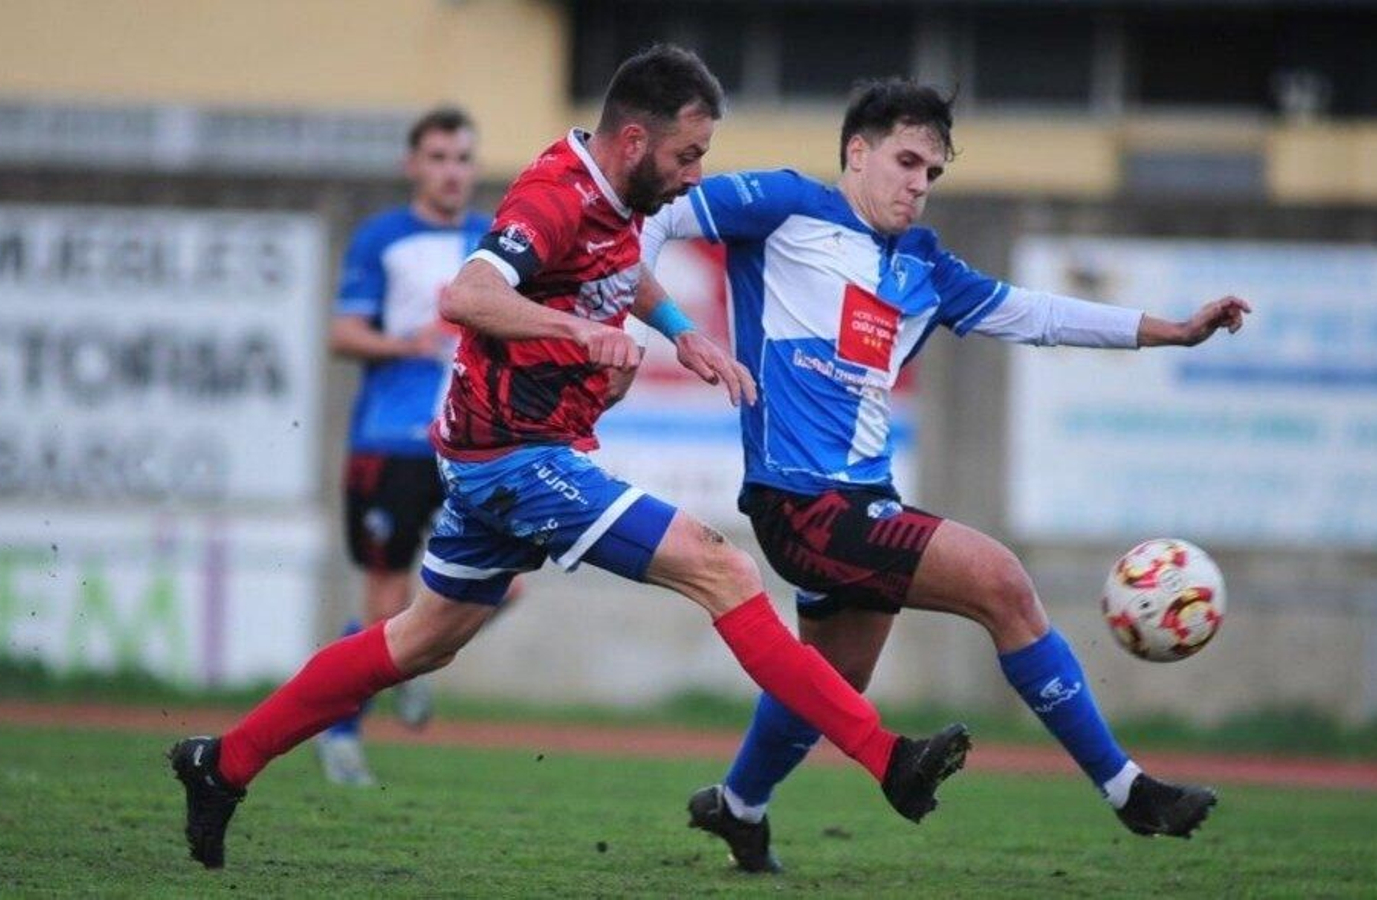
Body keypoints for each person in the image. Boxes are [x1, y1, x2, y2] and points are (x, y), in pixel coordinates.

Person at [168, 46, 971, 871]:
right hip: (516, 459)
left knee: (418, 642)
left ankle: (220, 764)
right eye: (687, 155)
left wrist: (683, 333)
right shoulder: (554, 196)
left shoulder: (620, 195)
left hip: (497, 453)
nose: (697, 175)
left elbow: (625, 269)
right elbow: (467, 295)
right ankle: (887, 759)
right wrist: (578, 331)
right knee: (720, 568)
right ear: (632, 141)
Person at [642, 78, 1251, 873]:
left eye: (932, 172)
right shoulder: (787, 206)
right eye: (905, 161)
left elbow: (1035, 313)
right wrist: (664, 320)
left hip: (862, 500)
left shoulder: (924, 268)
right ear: (856, 154)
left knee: (830, 680)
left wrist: (1169, 330)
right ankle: (1128, 790)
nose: (918, 184)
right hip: (799, 503)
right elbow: (656, 214)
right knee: (1001, 581)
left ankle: (740, 806)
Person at [319, 105, 498, 786]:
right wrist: (408, 343)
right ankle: (340, 733)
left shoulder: (493, 239)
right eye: (439, 158)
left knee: (502, 582)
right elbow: (342, 333)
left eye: (462, 159)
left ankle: (413, 659)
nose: (452, 172)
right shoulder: (382, 238)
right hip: (391, 440)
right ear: (413, 165)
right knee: (383, 599)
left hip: (472, 441)